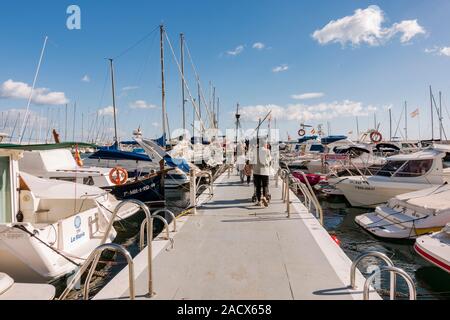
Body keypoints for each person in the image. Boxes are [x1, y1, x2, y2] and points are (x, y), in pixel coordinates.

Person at [253, 137, 272, 207]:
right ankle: (264, 197)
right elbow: (269, 159)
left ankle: (259, 201)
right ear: (264, 143)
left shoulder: (254, 151)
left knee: (258, 187)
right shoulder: (267, 151)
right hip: (265, 170)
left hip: (256, 171)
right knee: (265, 185)